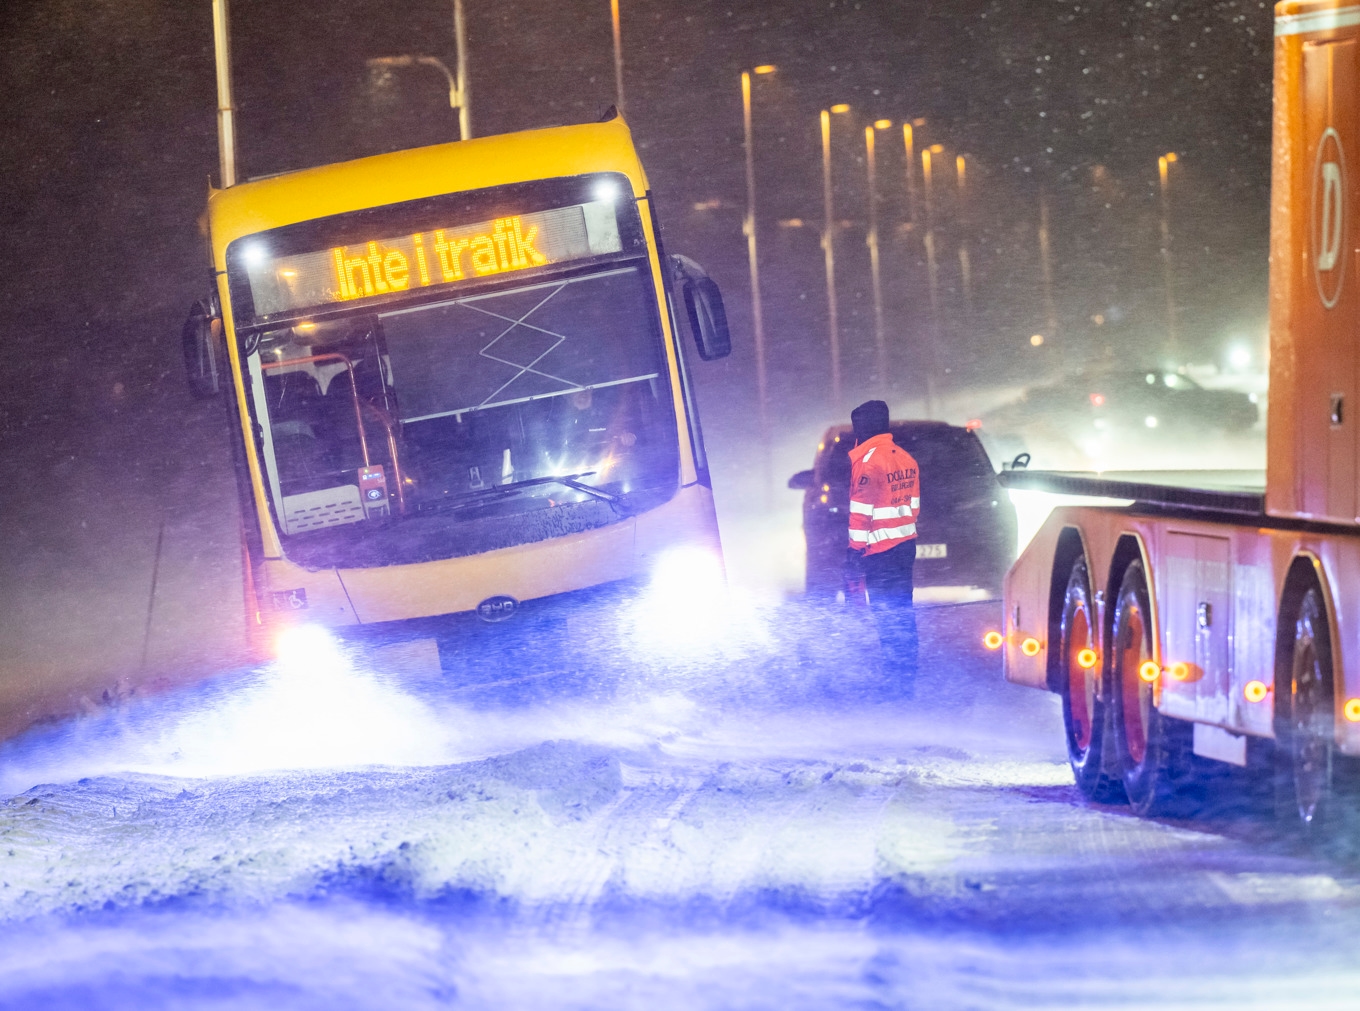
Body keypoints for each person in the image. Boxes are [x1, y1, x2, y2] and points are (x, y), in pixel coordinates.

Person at [845, 400, 920, 690]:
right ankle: (906, 676)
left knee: (887, 616)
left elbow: (861, 512)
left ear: (863, 428)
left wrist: (854, 551)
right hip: (904, 548)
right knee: (903, 612)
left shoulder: (868, 463)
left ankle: (895, 682)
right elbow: (913, 507)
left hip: (880, 553)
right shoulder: (905, 458)